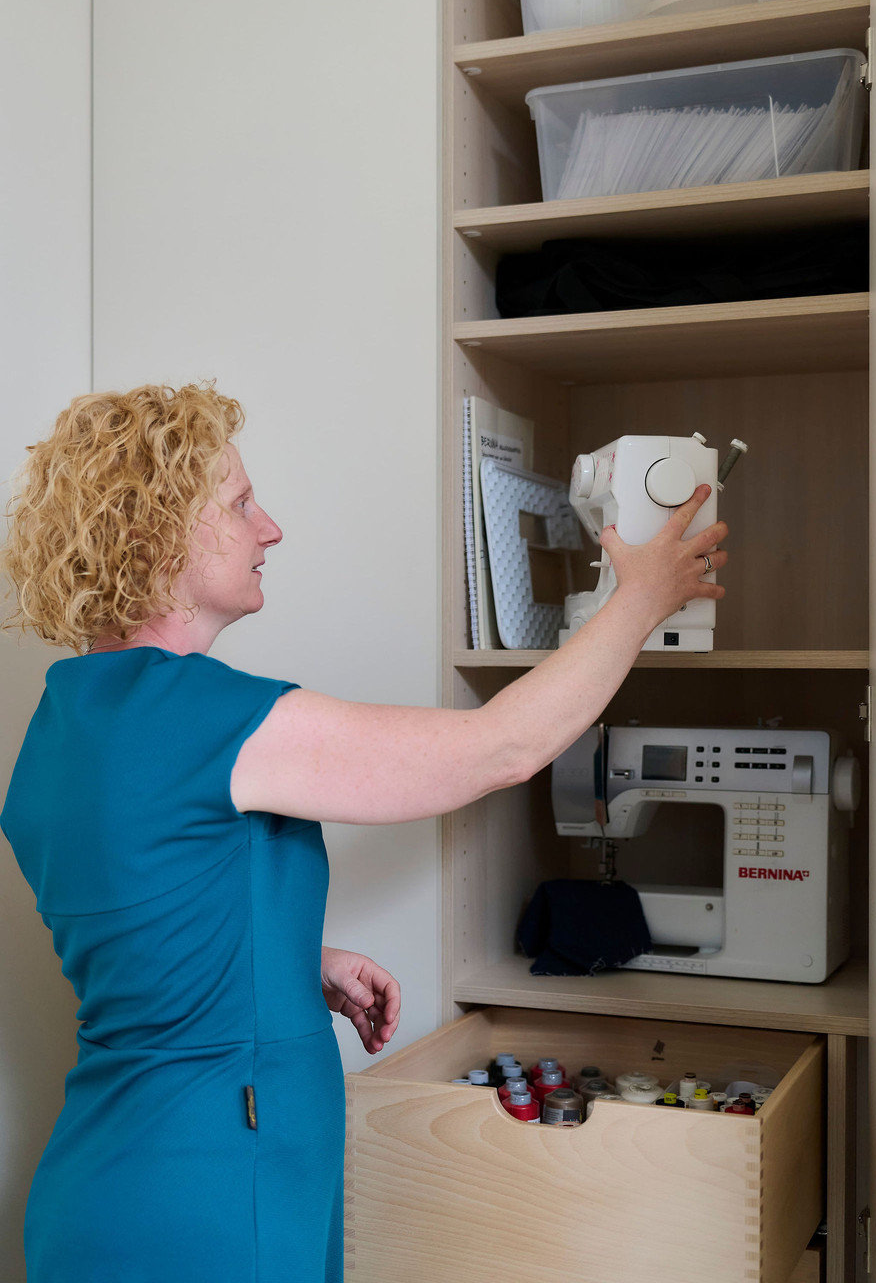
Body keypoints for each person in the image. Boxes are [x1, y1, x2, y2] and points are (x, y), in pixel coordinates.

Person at [0, 382, 727, 1282]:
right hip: (214, 1194)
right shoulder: (206, 718)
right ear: (160, 533)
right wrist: (640, 598)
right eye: (239, 503)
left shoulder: (63, 723)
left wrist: (288, 961)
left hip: (109, 1183)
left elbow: (134, 918)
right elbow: (498, 749)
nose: (270, 528)